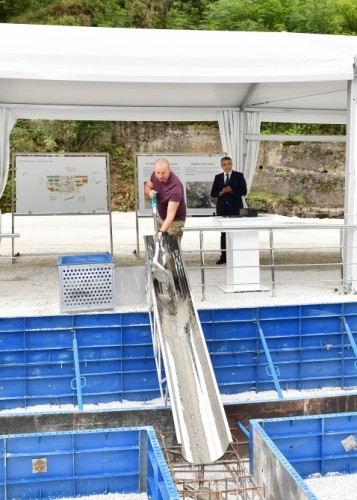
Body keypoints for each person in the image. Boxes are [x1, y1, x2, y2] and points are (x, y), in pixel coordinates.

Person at [210, 156, 247, 264]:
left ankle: (237, 254)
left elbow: (244, 191)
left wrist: (231, 191)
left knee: (236, 232)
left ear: (232, 164)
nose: (227, 166)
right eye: (225, 164)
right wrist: (222, 192)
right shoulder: (218, 177)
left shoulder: (239, 176)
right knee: (224, 233)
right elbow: (213, 193)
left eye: (229, 164)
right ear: (222, 166)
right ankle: (224, 256)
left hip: (235, 209)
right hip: (222, 209)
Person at [144, 157, 186, 239]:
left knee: (171, 247)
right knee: (158, 243)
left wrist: (161, 231)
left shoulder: (175, 187)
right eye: (158, 172)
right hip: (161, 217)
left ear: (169, 170)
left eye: (163, 173)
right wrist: (150, 193)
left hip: (175, 219)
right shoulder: (154, 175)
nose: (160, 176)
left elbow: (171, 213)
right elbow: (147, 186)